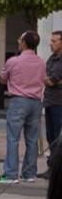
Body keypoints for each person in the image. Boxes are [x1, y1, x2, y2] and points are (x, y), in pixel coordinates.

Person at [0, 31, 47, 184]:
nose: (18, 42)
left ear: (24, 43)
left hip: (18, 100)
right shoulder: (41, 62)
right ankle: (29, 173)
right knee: (32, 139)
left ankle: (11, 174)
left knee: (13, 138)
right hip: (36, 101)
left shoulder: (13, 61)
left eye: (19, 39)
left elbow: (2, 79)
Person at [44, 31, 62, 159]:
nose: (51, 44)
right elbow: (46, 78)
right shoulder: (52, 58)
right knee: (50, 137)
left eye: (54, 41)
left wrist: (51, 81)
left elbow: (51, 80)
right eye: (51, 41)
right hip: (49, 101)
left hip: (59, 103)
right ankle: (52, 167)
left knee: (57, 137)